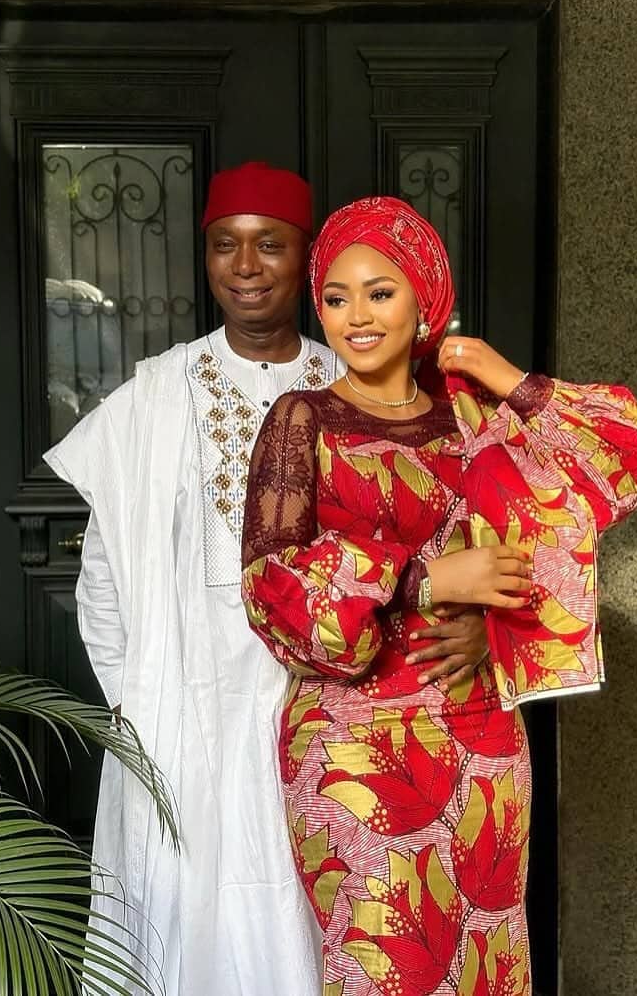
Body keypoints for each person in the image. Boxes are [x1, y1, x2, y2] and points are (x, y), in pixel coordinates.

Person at [44, 165, 490, 995]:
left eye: (270, 245)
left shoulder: (359, 381)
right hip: (186, 705)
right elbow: (101, 578)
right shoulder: (156, 394)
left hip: (339, 703)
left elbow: (463, 538)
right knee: (187, 903)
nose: (246, 266)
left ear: (308, 261)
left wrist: (479, 625)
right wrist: (142, 697)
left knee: (329, 906)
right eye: (225, 244)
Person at [240, 195, 637, 995]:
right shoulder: (303, 419)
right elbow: (271, 586)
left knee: (487, 961)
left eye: (380, 292)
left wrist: (506, 378)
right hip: (354, 743)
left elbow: (619, 462)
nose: (357, 317)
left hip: (480, 733)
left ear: (425, 298)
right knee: (385, 962)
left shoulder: (474, 418)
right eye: (336, 298)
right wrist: (424, 581)